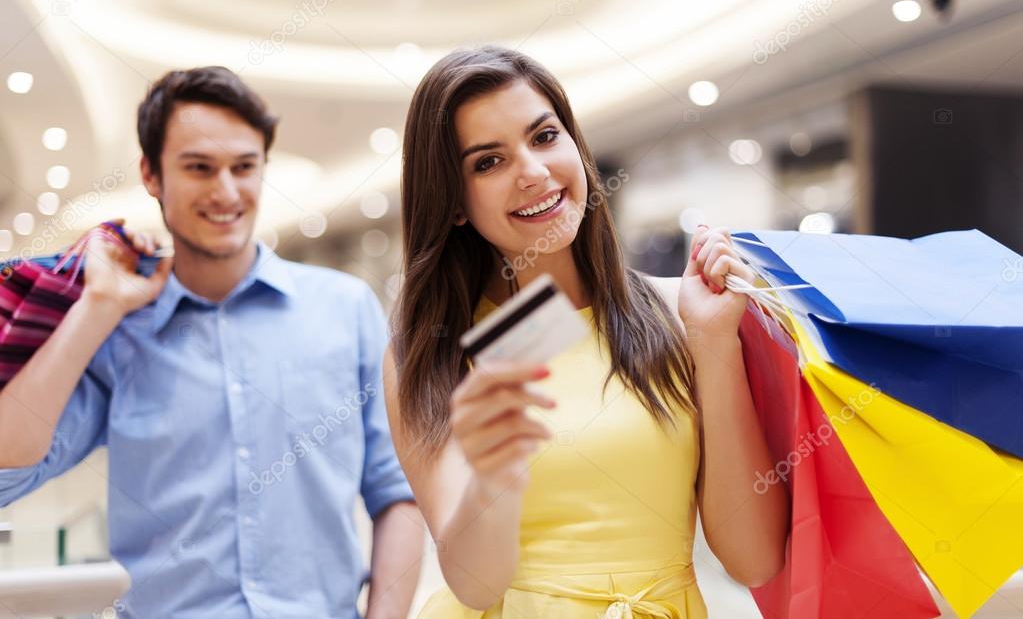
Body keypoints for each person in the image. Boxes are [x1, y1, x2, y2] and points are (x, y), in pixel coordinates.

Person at [0, 67, 422, 618]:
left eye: (244, 167)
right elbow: (9, 468)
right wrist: (98, 307)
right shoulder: (120, 331)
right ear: (151, 174)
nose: (226, 192)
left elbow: (398, 492)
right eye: (199, 168)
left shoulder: (345, 309)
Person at [384, 46, 789, 617]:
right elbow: (474, 586)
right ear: (452, 202)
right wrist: (492, 471)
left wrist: (716, 344)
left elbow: (753, 560)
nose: (532, 171)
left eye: (544, 137)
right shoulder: (431, 353)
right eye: (487, 162)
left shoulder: (681, 309)